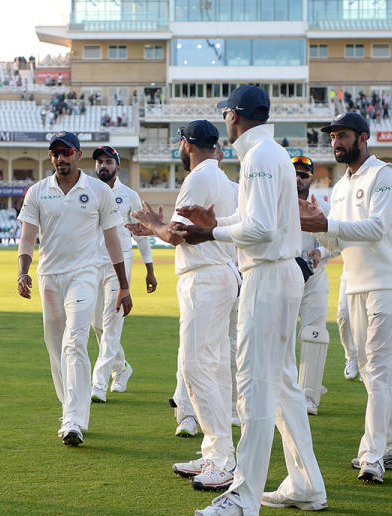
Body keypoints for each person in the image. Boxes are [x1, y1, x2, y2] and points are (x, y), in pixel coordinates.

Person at [177, 86, 326, 515]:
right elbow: (255, 219)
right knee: (281, 386)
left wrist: (211, 233)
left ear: (234, 116)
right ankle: (306, 484)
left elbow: (259, 229)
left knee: (257, 388)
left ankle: (242, 498)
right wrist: (218, 221)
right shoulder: (267, 153)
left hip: (267, 274)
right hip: (275, 274)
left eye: (226, 113)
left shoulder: (260, 157)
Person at [298, 111, 392, 484]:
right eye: (333, 136)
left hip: (390, 283)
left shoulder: (385, 175)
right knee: (370, 372)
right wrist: (316, 229)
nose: (336, 142)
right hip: (357, 282)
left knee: (380, 369)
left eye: (343, 135)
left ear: (363, 138)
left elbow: (377, 228)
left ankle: (373, 455)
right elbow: (339, 242)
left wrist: (327, 224)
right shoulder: (340, 187)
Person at [129, 120, 240, 492]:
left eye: (180, 141)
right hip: (218, 274)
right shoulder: (221, 177)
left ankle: (222, 461)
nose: (178, 147)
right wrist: (157, 227)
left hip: (206, 278)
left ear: (187, 144)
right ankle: (215, 453)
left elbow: (176, 235)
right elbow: (183, 232)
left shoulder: (199, 177)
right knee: (213, 368)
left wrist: (153, 223)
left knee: (195, 369)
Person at [16, 131, 132, 447]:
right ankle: (69, 408)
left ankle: (74, 420)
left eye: (66, 151)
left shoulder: (97, 191)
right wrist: (22, 272)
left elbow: (113, 240)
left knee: (74, 340)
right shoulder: (38, 192)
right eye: (55, 153)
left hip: (85, 275)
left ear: (78, 154)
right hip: (49, 277)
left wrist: (123, 285)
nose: (60, 158)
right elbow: (27, 237)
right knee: (56, 347)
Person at [89, 145, 157, 403]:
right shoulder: (88, 191)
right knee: (97, 324)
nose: (103, 166)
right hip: (93, 262)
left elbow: (141, 235)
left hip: (121, 264)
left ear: (118, 166)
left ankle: (98, 384)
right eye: (99, 162)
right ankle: (122, 368)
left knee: (112, 324)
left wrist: (149, 269)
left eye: (108, 162)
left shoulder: (129, 195)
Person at [291, 155, 333, 416]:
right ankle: (282, 391)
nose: (298, 178)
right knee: (280, 336)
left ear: (311, 179)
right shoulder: (276, 205)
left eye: (303, 174)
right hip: (283, 276)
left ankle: (309, 396)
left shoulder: (324, 206)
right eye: (293, 173)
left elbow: (336, 241)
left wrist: (322, 253)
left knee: (314, 336)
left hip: (315, 278)